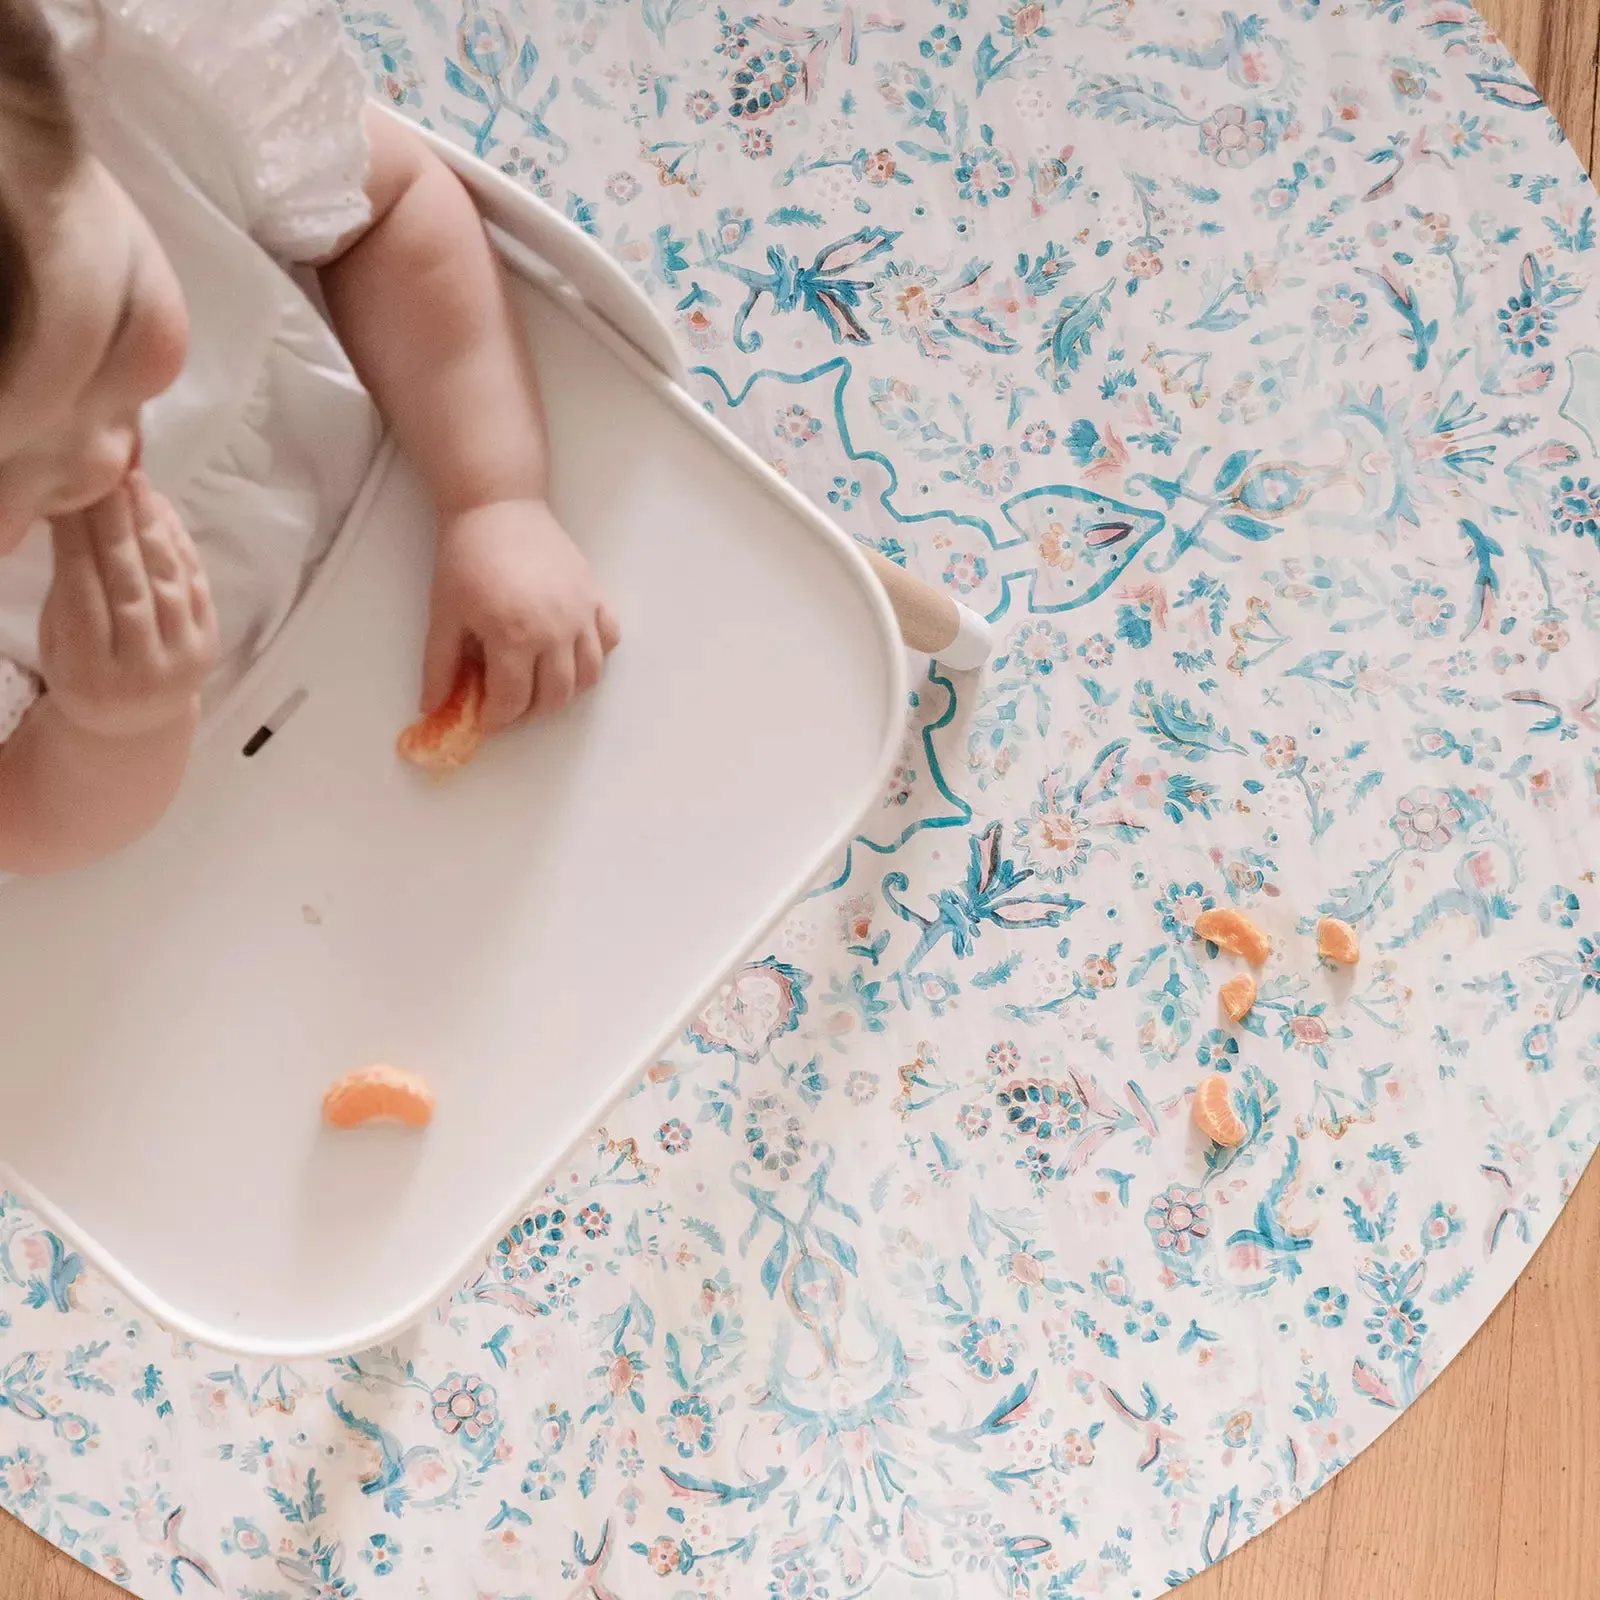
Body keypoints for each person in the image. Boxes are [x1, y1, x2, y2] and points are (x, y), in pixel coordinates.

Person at [0, 0, 618, 873]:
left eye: (117, 324)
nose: (101, 460)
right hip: (235, 851)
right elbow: (22, 823)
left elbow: (394, 210)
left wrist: (493, 498)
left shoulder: (131, 95)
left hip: (418, 480)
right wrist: (111, 728)